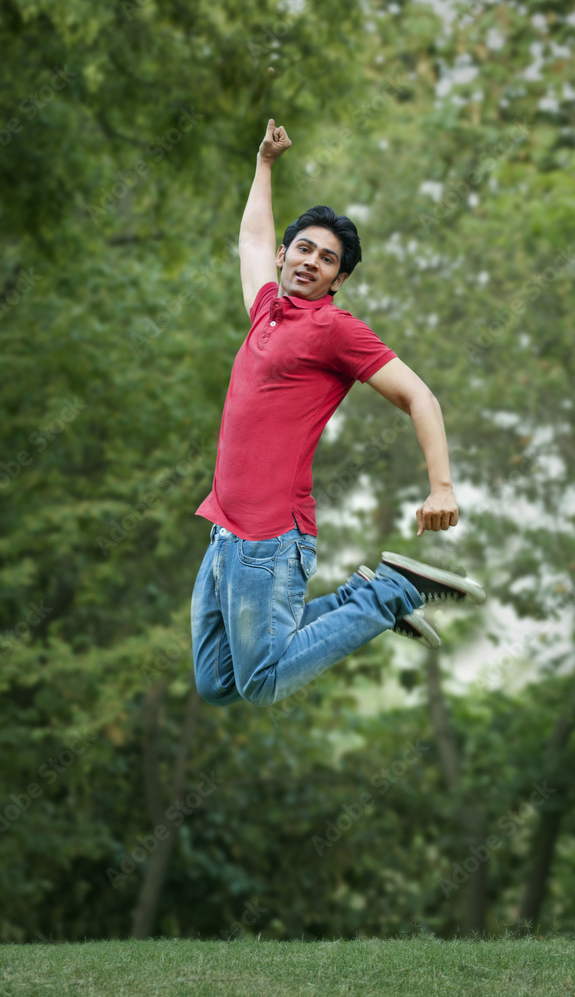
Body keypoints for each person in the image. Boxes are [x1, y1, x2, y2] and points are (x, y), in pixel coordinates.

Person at [191, 119, 485, 708]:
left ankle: (388, 594)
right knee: (217, 682)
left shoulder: (335, 329)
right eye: (304, 249)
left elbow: (419, 397)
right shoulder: (266, 311)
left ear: (338, 279)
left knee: (261, 682)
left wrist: (442, 487)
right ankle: (364, 599)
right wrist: (264, 164)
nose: (311, 262)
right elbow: (251, 241)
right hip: (225, 532)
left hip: (270, 540)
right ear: (286, 255)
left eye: (327, 260)